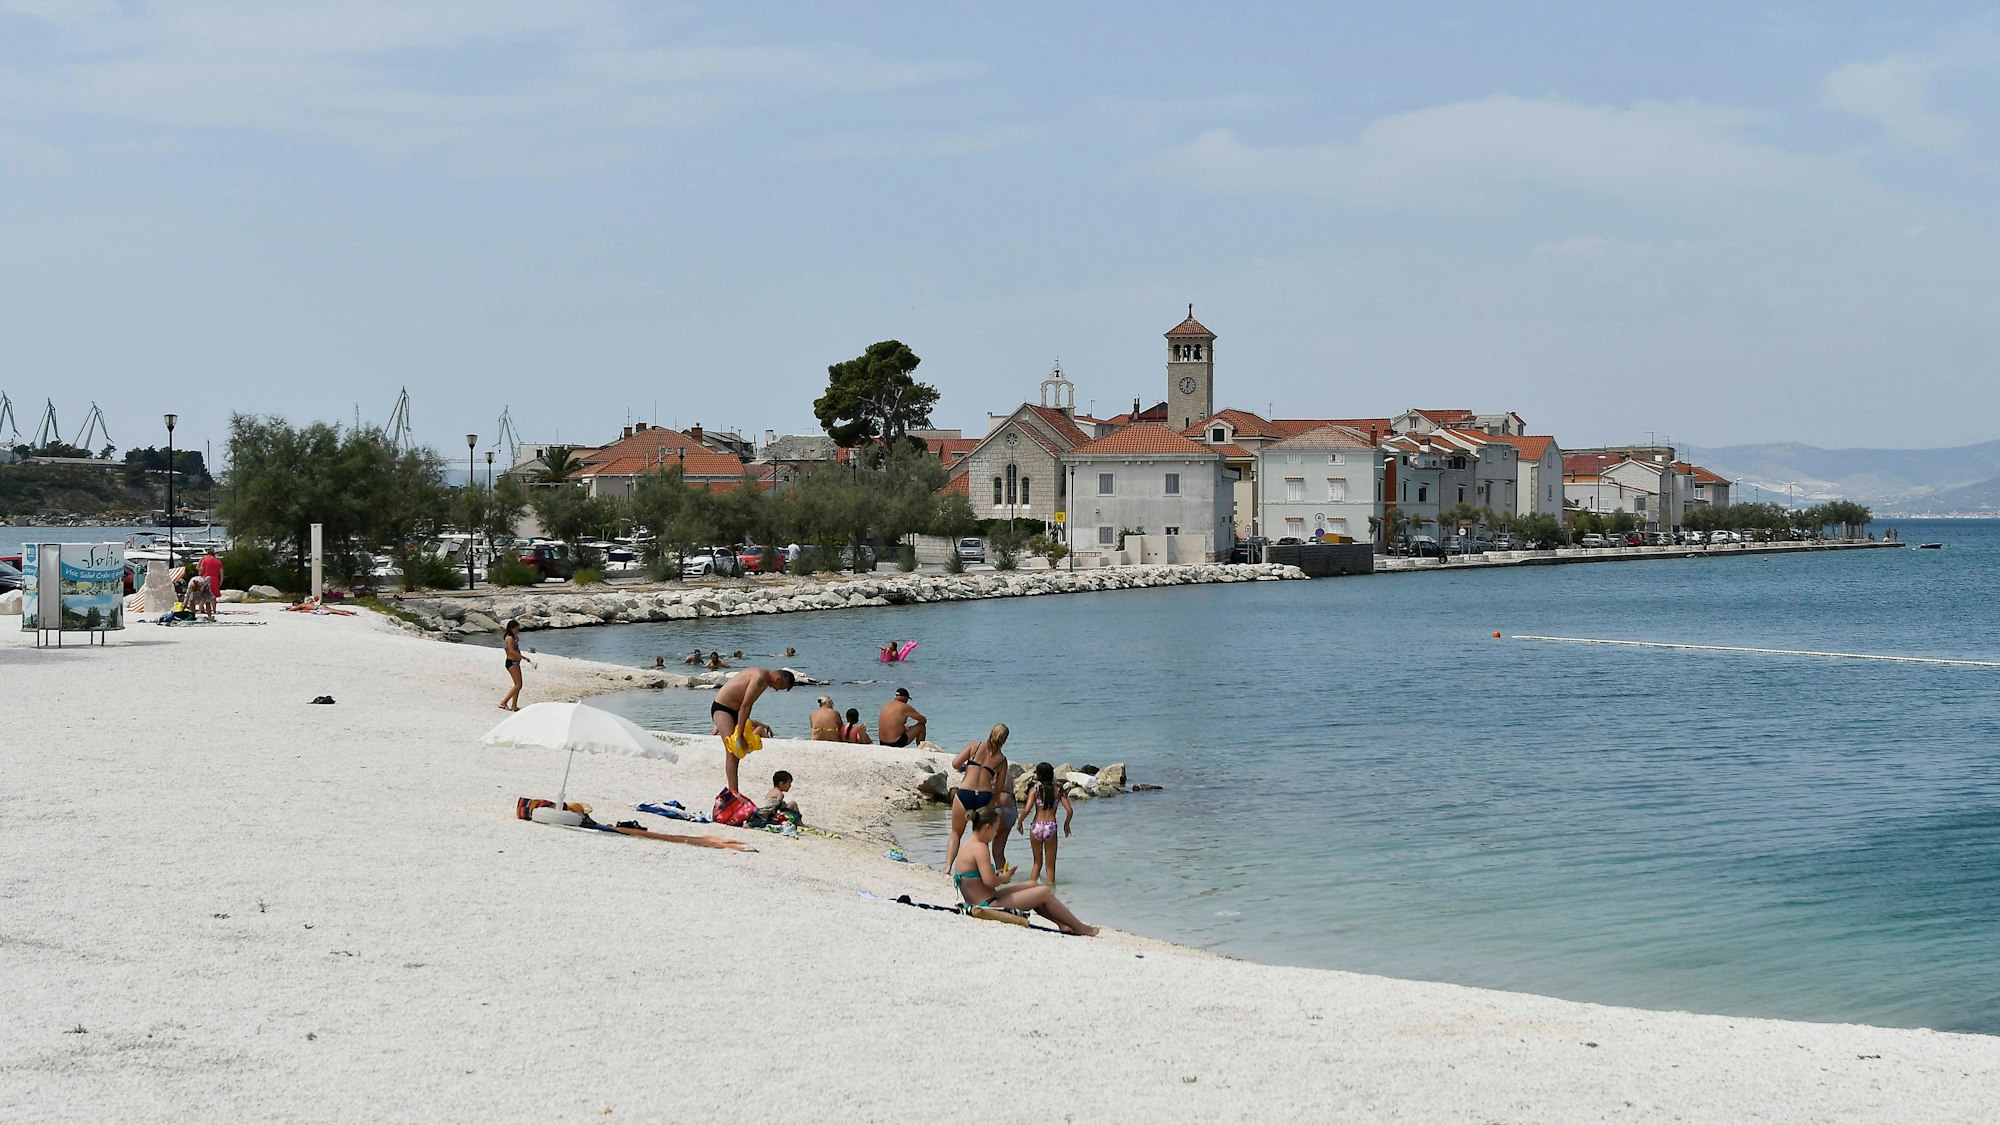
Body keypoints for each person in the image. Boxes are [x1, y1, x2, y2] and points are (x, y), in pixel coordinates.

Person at [951, 808, 1096, 936]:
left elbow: (978, 878)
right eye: (996, 829)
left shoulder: (967, 845)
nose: (996, 834)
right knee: (1043, 892)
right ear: (987, 827)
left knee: (1032, 884)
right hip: (988, 906)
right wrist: (1004, 878)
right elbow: (990, 881)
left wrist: (998, 874)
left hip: (985, 899)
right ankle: (1080, 927)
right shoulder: (980, 848)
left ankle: (1062, 924)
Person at [711, 667, 795, 794]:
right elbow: (746, 705)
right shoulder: (760, 678)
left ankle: (734, 792)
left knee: (737, 754)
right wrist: (740, 736)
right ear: (778, 679)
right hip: (723, 708)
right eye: (780, 687)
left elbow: (745, 706)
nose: (777, 690)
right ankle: (733, 793)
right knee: (732, 752)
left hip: (736, 710)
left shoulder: (765, 680)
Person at [945, 723, 1009, 872]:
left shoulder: (975, 746)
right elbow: (999, 789)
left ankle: (948, 867)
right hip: (984, 797)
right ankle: (981, 870)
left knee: (956, 833)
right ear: (1004, 740)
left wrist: (967, 768)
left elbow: (955, 764)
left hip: (965, 793)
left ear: (991, 732)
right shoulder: (1001, 760)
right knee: (982, 838)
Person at [1021, 762, 1076, 886]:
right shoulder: (1058, 790)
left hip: (1036, 825)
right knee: (1050, 866)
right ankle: (1051, 894)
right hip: (1050, 826)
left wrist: (1019, 823)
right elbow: (1070, 810)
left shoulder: (1035, 790)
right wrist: (1066, 825)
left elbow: (1026, 809)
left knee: (1037, 863)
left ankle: (1029, 892)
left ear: (1039, 775)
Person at [499, 621, 526, 711]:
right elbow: (511, 651)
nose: (518, 631)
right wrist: (523, 657)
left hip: (515, 662)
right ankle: (504, 702)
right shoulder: (510, 638)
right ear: (511, 628)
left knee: (518, 685)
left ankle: (514, 705)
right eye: (516, 629)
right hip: (512, 662)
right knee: (518, 685)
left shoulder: (513, 637)